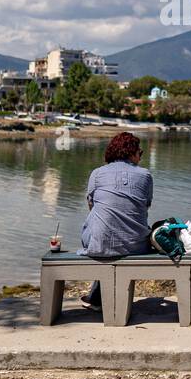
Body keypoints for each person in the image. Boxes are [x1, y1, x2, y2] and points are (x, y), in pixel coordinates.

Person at [78, 132, 153, 310]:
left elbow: (92, 207)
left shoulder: (97, 174)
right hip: (137, 246)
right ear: (131, 153)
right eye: (139, 153)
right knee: (120, 231)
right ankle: (97, 298)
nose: (140, 158)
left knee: (101, 229)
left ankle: (96, 298)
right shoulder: (145, 175)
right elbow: (145, 207)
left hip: (99, 244)